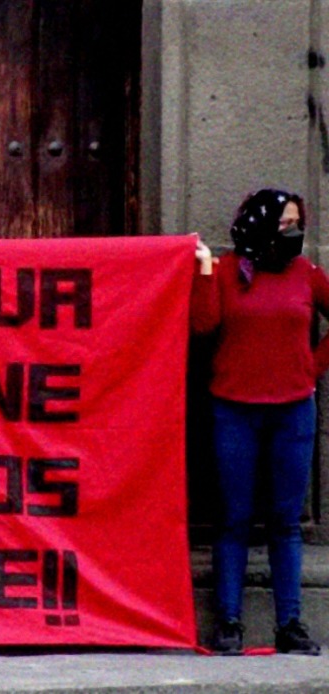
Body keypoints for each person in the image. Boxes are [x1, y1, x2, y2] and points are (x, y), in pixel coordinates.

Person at [192, 188, 324, 655]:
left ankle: (290, 624)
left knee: (285, 522)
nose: (293, 233)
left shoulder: (306, 274)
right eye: (284, 224)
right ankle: (228, 622)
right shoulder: (230, 272)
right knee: (235, 519)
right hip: (234, 409)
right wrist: (207, 269)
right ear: (259, 223)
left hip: (293, 410)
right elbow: (204, 325)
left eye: (296, 224)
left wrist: (313, 366)